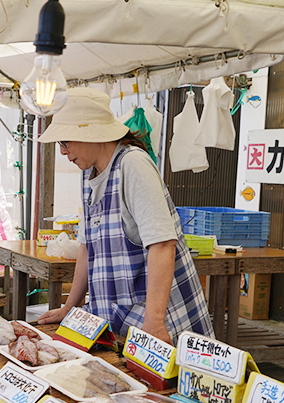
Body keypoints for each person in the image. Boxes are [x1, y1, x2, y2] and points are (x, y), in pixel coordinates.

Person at [36, 88, 213, 345]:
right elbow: (88, 247)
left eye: (65, 142)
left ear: (90, 132)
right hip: (120, 320)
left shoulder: (133, 165)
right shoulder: (89, 174)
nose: (63, 152)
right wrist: (69, 308)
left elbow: (163, 243)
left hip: (159, 319)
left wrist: (154, 321)